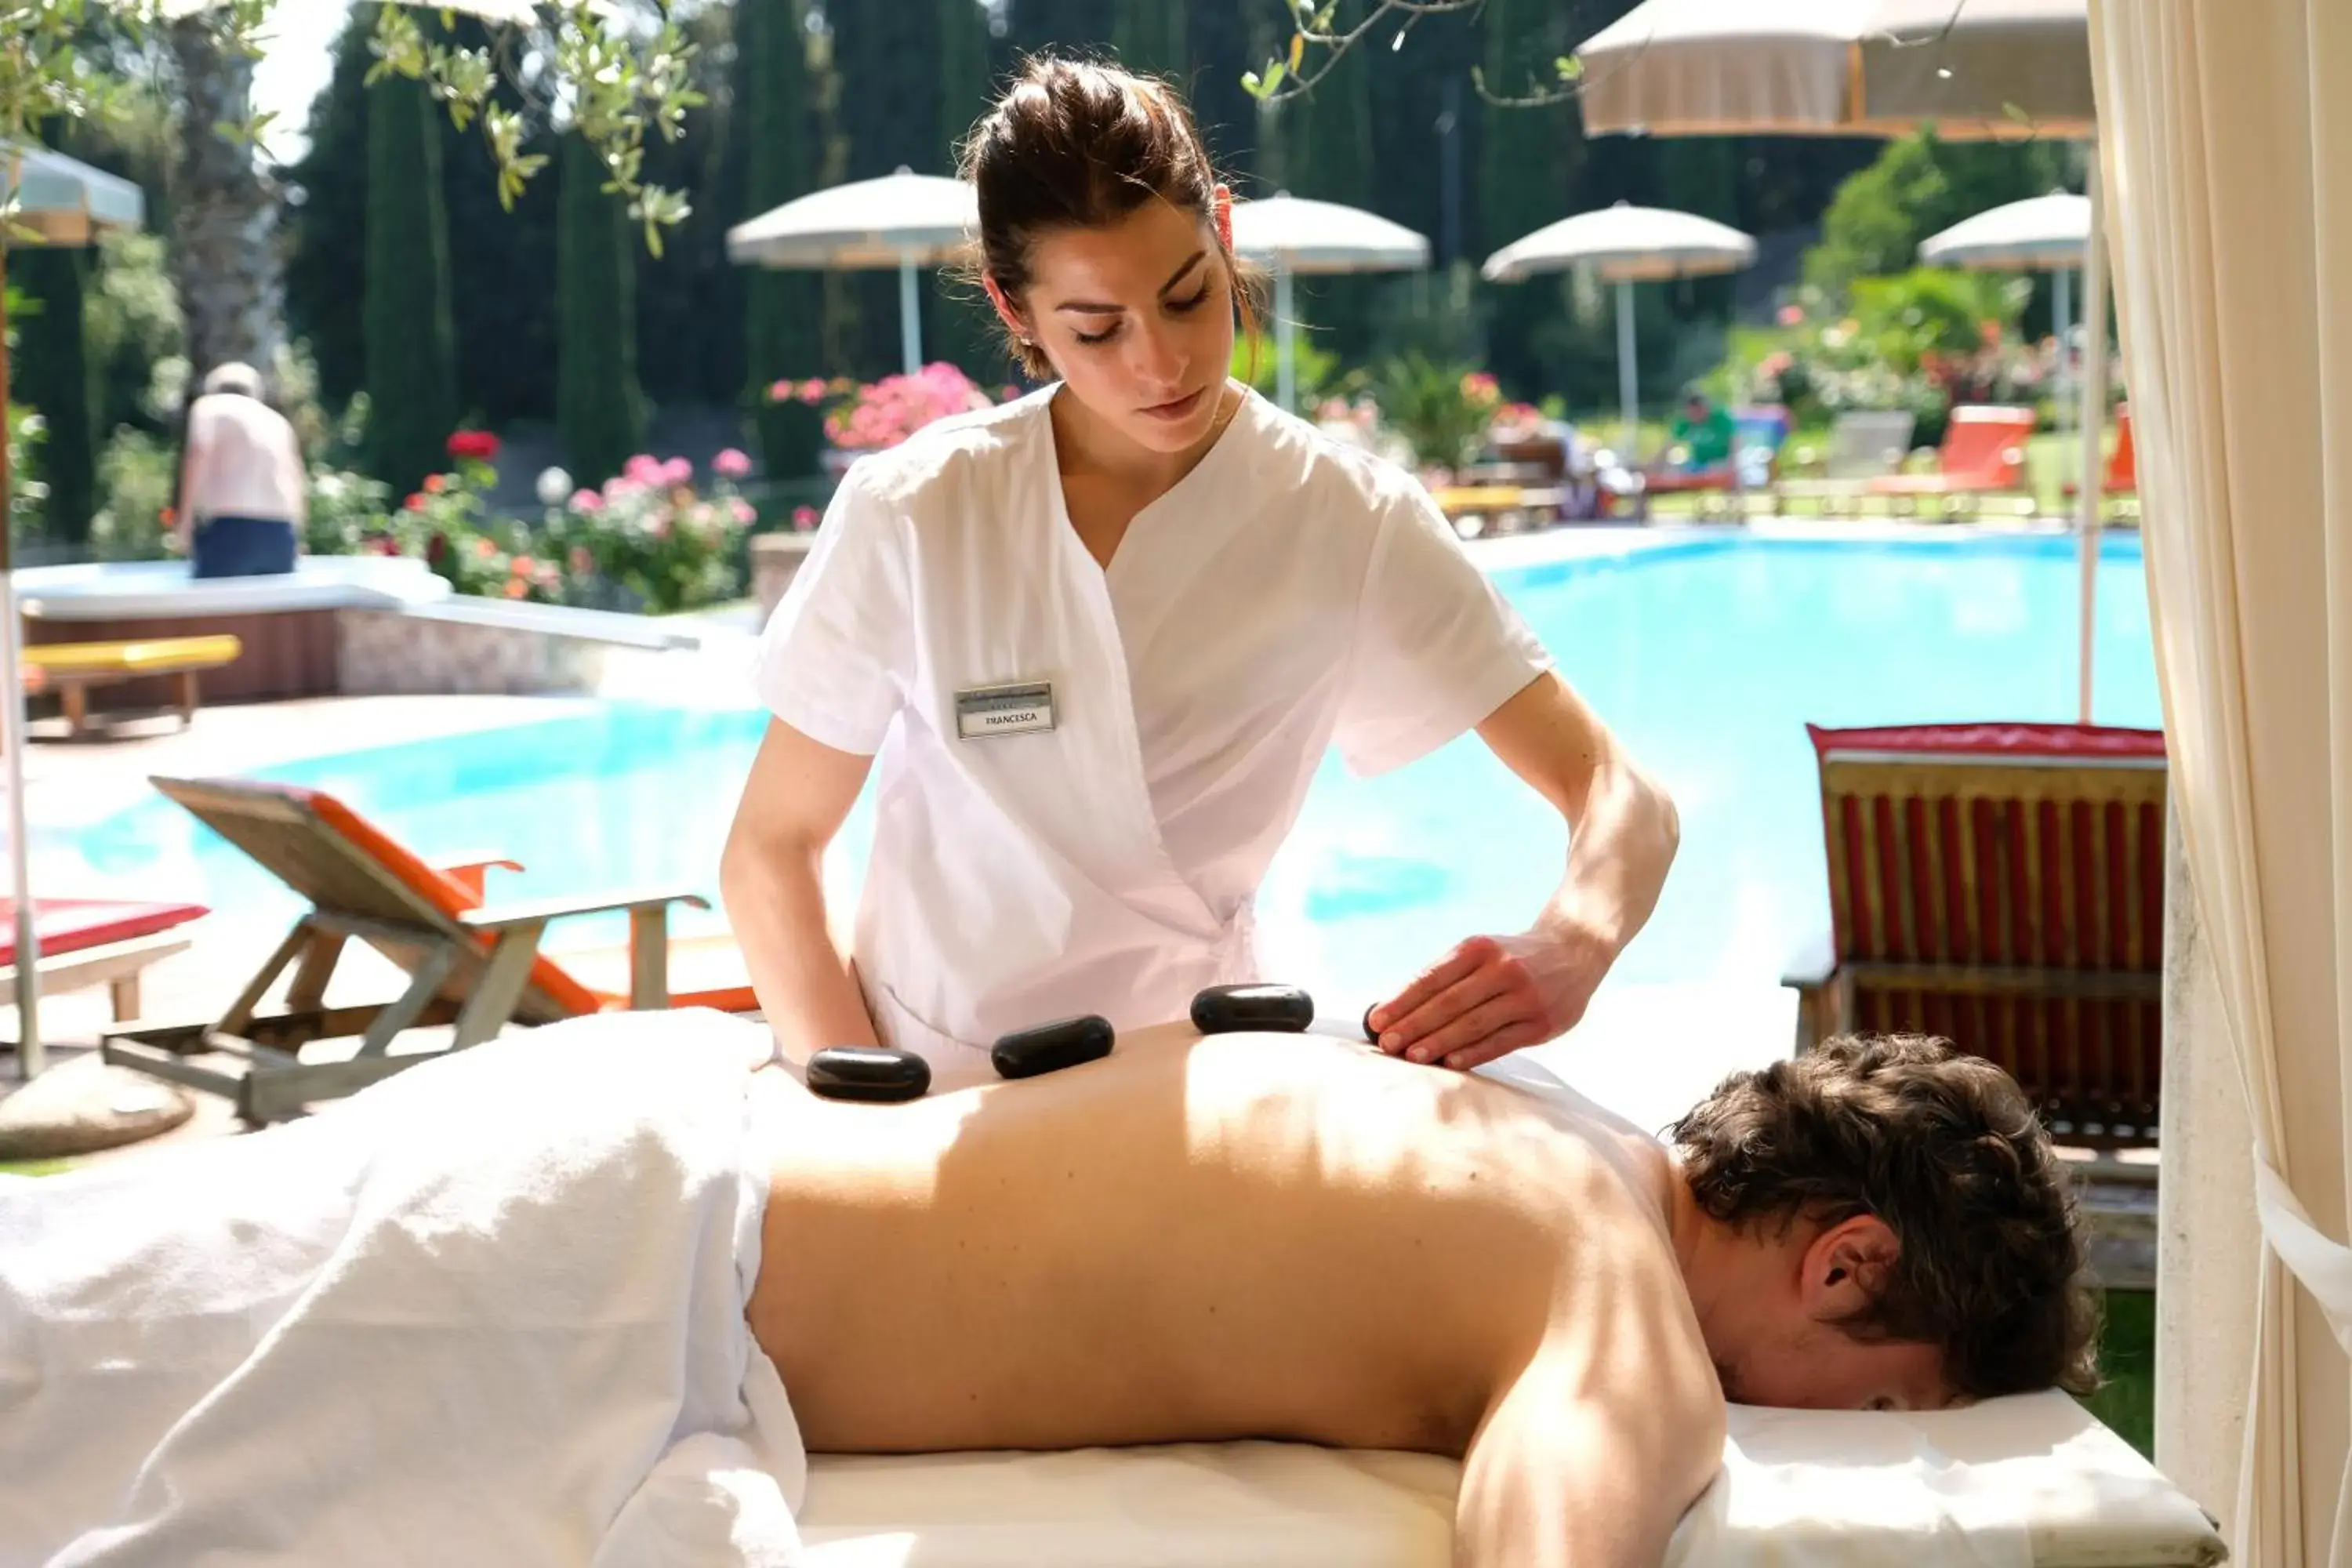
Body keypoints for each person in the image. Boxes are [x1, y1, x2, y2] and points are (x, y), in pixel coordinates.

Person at [0, 1017, 2099, 1566]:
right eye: (1890, 1403)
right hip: (601, 1275)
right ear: (1846, 1261)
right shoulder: (1620, 1306)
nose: (1855, 1440)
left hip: (636, 1156)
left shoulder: (1536, 1117)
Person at [724, 56, 1680, 1082]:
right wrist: (861, 1113)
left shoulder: (1342, 518)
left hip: (1193, 1100)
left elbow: (1621, 791)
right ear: (1015, 310)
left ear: (1224, 231)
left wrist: (1575, 942)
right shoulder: (917, 513)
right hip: (932, 1086)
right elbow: (772, 851)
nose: (1162, 363)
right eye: (1097, 329)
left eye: (1189, 297)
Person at [175, 361, 306, 579]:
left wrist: (185, 523)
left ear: (213, 389)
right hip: (280, 532)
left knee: (215, 608)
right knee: (268, 610)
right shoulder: (277, 422)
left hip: (231, 528)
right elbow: (296, 480)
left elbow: (198, 453)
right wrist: (298, 538)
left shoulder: (211, 407)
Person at [1661, 390, 1737, 477]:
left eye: (1698, 412)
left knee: (1715, 469)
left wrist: (1733, 466)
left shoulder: (1721, 418)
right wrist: (1657, 466)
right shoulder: (1686, 422)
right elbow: (1670, 444)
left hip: (1721, 462)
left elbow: (1734, 441)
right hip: (1699, 463)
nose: (1695, 416)